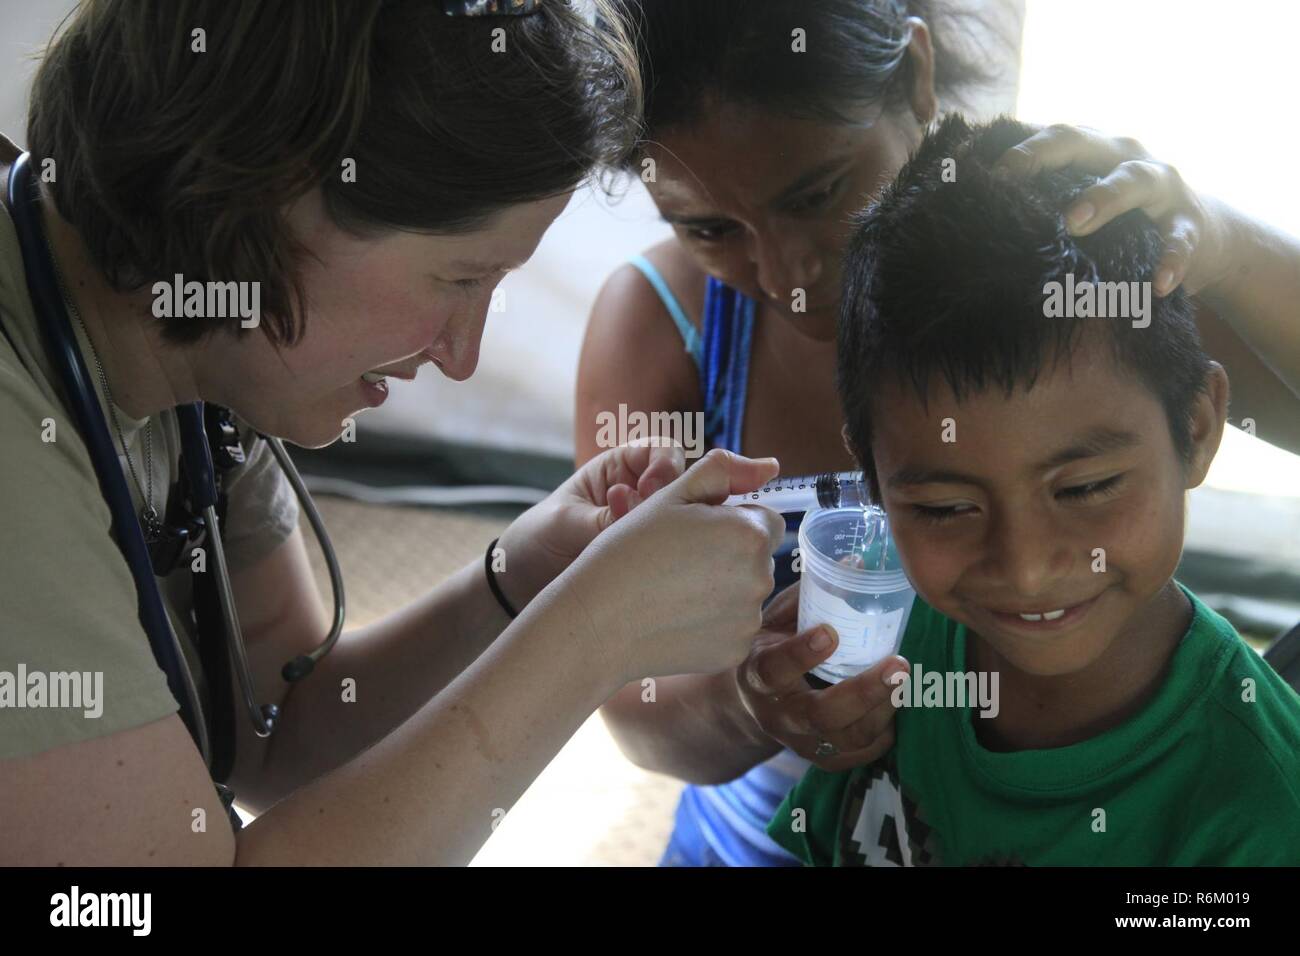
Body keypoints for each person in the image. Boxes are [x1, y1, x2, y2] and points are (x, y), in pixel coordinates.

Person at [0, 0, 790, 866]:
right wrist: (592, 635)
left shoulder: (207, 342)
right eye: (461, 277)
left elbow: (280, 736)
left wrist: (522, 580)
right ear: (260, 199)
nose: (462, 355)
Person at [577, 0, 1300, 866]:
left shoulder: (1073, 286)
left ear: (916, 77)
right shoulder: (663, 329)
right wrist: (754, 704)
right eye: (709, 229)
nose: (787, 273)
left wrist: (1225, 249)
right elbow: (620, 688)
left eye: (816, 193)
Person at [768, 114, 1300, 865]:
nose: (1022, 568)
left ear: (1200, 427)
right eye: (947, 508)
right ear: (872, 479)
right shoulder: (889, 651)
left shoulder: (1262, 811)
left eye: (1086, 488)